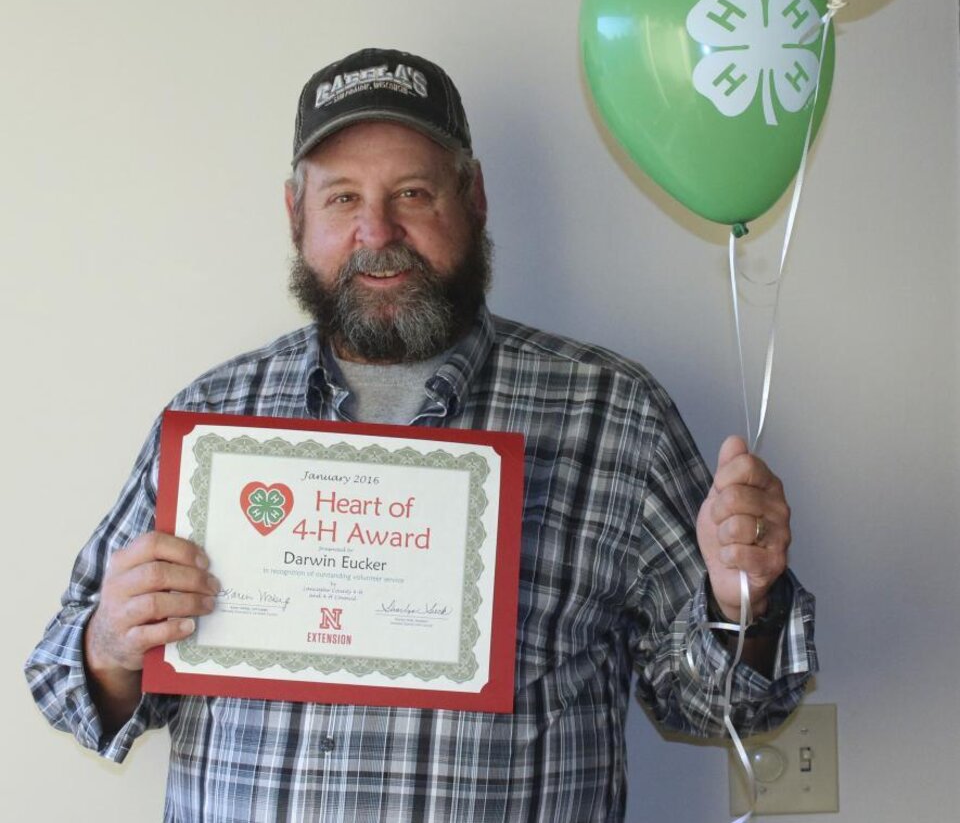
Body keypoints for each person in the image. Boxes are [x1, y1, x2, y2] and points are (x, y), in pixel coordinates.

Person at [26, 48, 817, 822]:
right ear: (295, 215)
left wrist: (736, 599)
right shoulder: (214, 421)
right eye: (341, 198)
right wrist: (111, 642)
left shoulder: (613, 413)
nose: (378, 229)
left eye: (411, 192)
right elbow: (66, 679)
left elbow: (721, 707)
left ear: (472, 199)